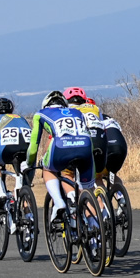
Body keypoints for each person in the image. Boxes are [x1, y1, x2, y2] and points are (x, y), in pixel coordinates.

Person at [28, 91, 95, 224]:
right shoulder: (77, 112)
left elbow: (34, 145)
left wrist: (30, 162)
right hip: (85, 147)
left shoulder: (40, 114)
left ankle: (59, 202)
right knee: (86, 190)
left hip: (61, 147)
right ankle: (94, 227)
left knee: (48, 169)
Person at [0, 98, 32, 221]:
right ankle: (29, 215)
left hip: (7, 149)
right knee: (23, 182)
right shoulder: (20, 118)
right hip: (26, 149)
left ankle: (1, 193)